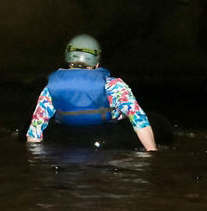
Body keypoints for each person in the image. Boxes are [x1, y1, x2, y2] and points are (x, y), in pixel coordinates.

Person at [24, 34, 158, 151]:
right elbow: (139, 120)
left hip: (67, 132)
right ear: (97, 62)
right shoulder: (113, 85)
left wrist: (33, 156)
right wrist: (152, 152)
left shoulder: (51, 87)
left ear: (67, 57)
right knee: (130, 111)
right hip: (107, 129)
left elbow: (35, 128)